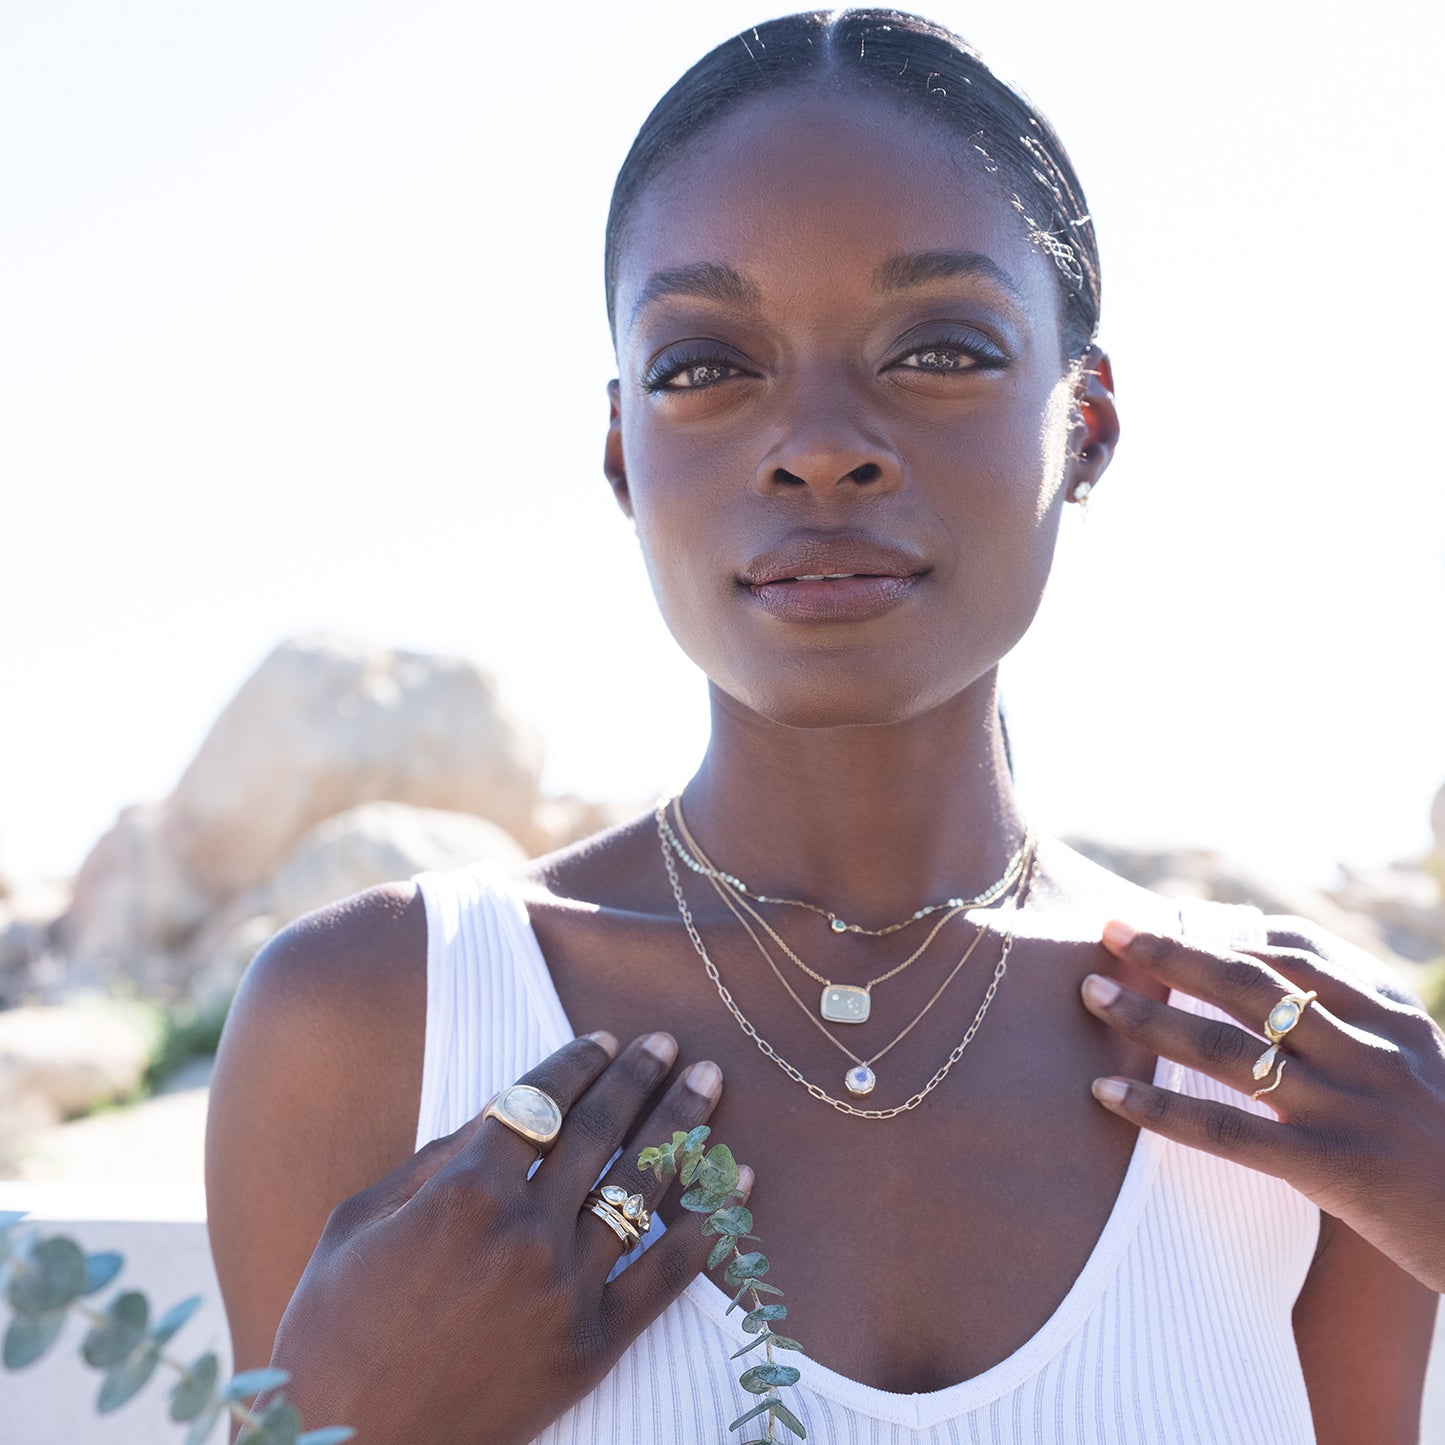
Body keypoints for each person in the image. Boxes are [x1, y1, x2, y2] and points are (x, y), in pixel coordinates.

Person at [206, 11, 1445, 1443]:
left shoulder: (1292, 1068)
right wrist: (341, 1426)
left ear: (1084, 419)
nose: (815, 441)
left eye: (938, 347)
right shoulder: (375, 1017)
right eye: (702, 366)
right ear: (624, 452)